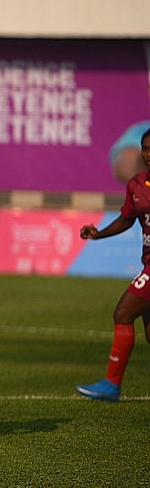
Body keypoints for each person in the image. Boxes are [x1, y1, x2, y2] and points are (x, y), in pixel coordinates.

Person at [76, 128, 150, 402]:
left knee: (122, 313)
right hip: (147, 263)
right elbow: (127, 219)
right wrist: (99, 234)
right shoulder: (137, 184)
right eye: (145, 148)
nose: (148, 154)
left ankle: (111, 384)